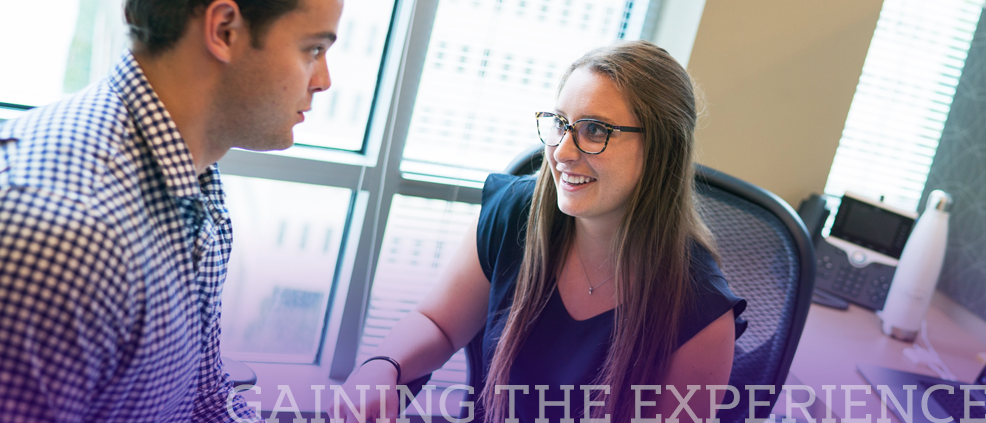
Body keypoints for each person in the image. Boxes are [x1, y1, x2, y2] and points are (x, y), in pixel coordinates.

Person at [333, 41, 747, 423]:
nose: (563, 153)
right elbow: (439, 324)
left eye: (596, 131)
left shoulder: (700, 311)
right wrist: (382, 366)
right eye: (561, 124)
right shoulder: (517, 212)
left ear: (662, 148)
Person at [0, 0, 342, 421]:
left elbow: (204, 400)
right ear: (224, 31)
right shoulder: (67, 233)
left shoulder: (194, 176)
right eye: (313, 50)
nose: (324, 81)